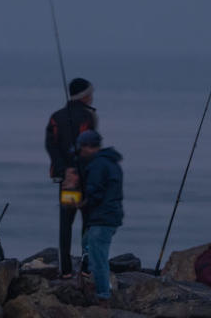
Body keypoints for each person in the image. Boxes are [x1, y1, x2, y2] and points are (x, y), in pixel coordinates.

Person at [45, 77, 98, 278]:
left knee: (66, 223)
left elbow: (51, 146)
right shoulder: (88, 118)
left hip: (68, 182)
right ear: (84, 96)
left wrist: (65, 170)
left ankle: (65, 269)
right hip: (85, 180)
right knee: (88, 222)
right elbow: (89, 149)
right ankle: (86, 267)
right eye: (90, 93)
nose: (92, 97)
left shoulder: (56, 117)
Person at [76, 130, 123, 305]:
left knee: (99, 258)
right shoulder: (111, 163)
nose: (80, 151)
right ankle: (87, 273)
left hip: (103, 218)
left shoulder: (97, 165)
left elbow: (95, 192)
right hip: (111, 215)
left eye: (82, 148)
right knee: (86, 242)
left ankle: (103, 295)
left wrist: (81, 203)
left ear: (89, 147)